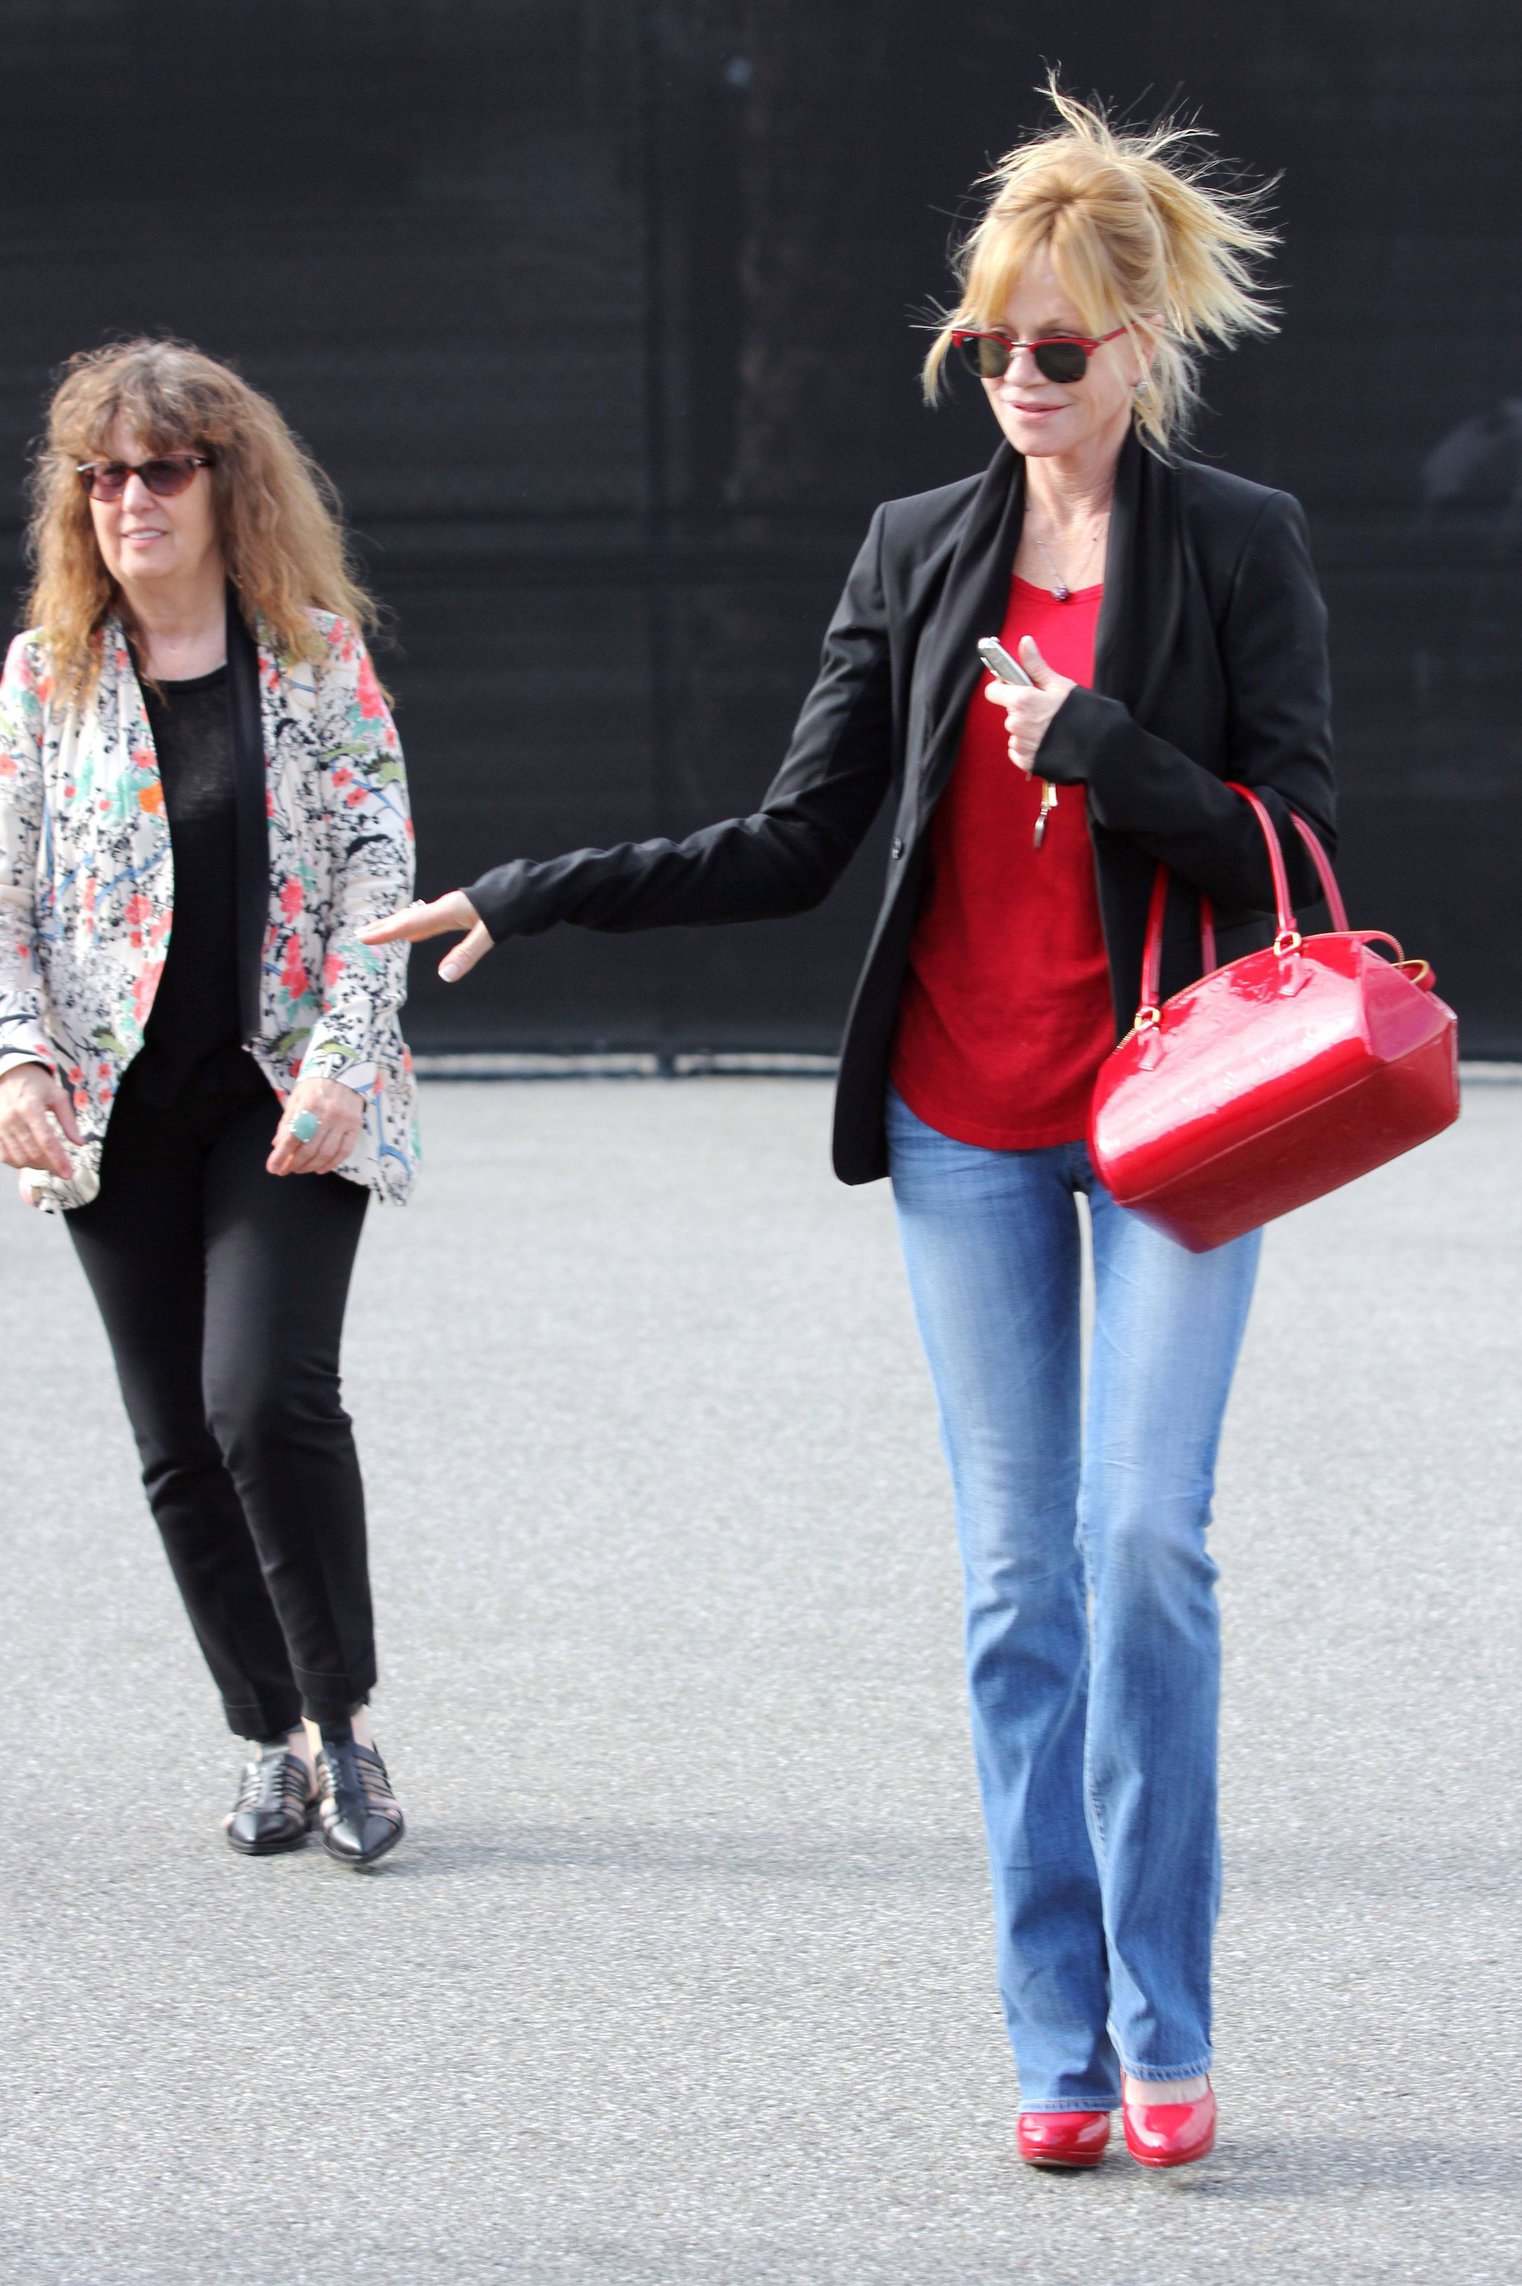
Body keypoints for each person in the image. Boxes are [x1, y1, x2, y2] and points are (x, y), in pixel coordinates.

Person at [364, 88, 1335, 2158]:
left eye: (1054, 347)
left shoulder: (1234, 543)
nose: (1014, 378)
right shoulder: (915, 551)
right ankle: (1059, 2046)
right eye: (989, 344)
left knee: (1142, 1546)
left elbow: (1295, 845)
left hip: (1172, 1109)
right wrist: (533, 891)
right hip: (965, 1127)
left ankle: (1174, 2019)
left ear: (1138, 350)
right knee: (1015, 1594)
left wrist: (1107, 751)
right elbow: (794, 837)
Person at [0, 339, 419, 1868]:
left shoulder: (312, 656)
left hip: (282, 1093)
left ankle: (345, 1722)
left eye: (160, 470)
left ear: (224, 485)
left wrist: (344, 1058)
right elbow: (7, 898)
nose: (128, 500)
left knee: (266, 1399)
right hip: (114, 1111)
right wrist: (15, 1060)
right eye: (101, 475)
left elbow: (385, 869)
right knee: (175, 1435)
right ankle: (264, 1739)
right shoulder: (46, 678)